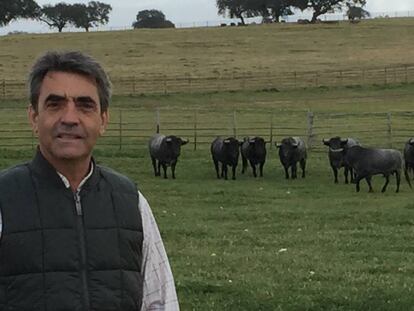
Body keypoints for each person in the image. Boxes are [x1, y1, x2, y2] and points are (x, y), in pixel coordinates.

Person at [0, 51, 179, 311]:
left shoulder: (131, 202)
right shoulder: (4, 198)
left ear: (103, 120)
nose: (70, 118)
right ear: (34, 118)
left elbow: (161, 302)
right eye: (55, 104)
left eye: (85, 105)